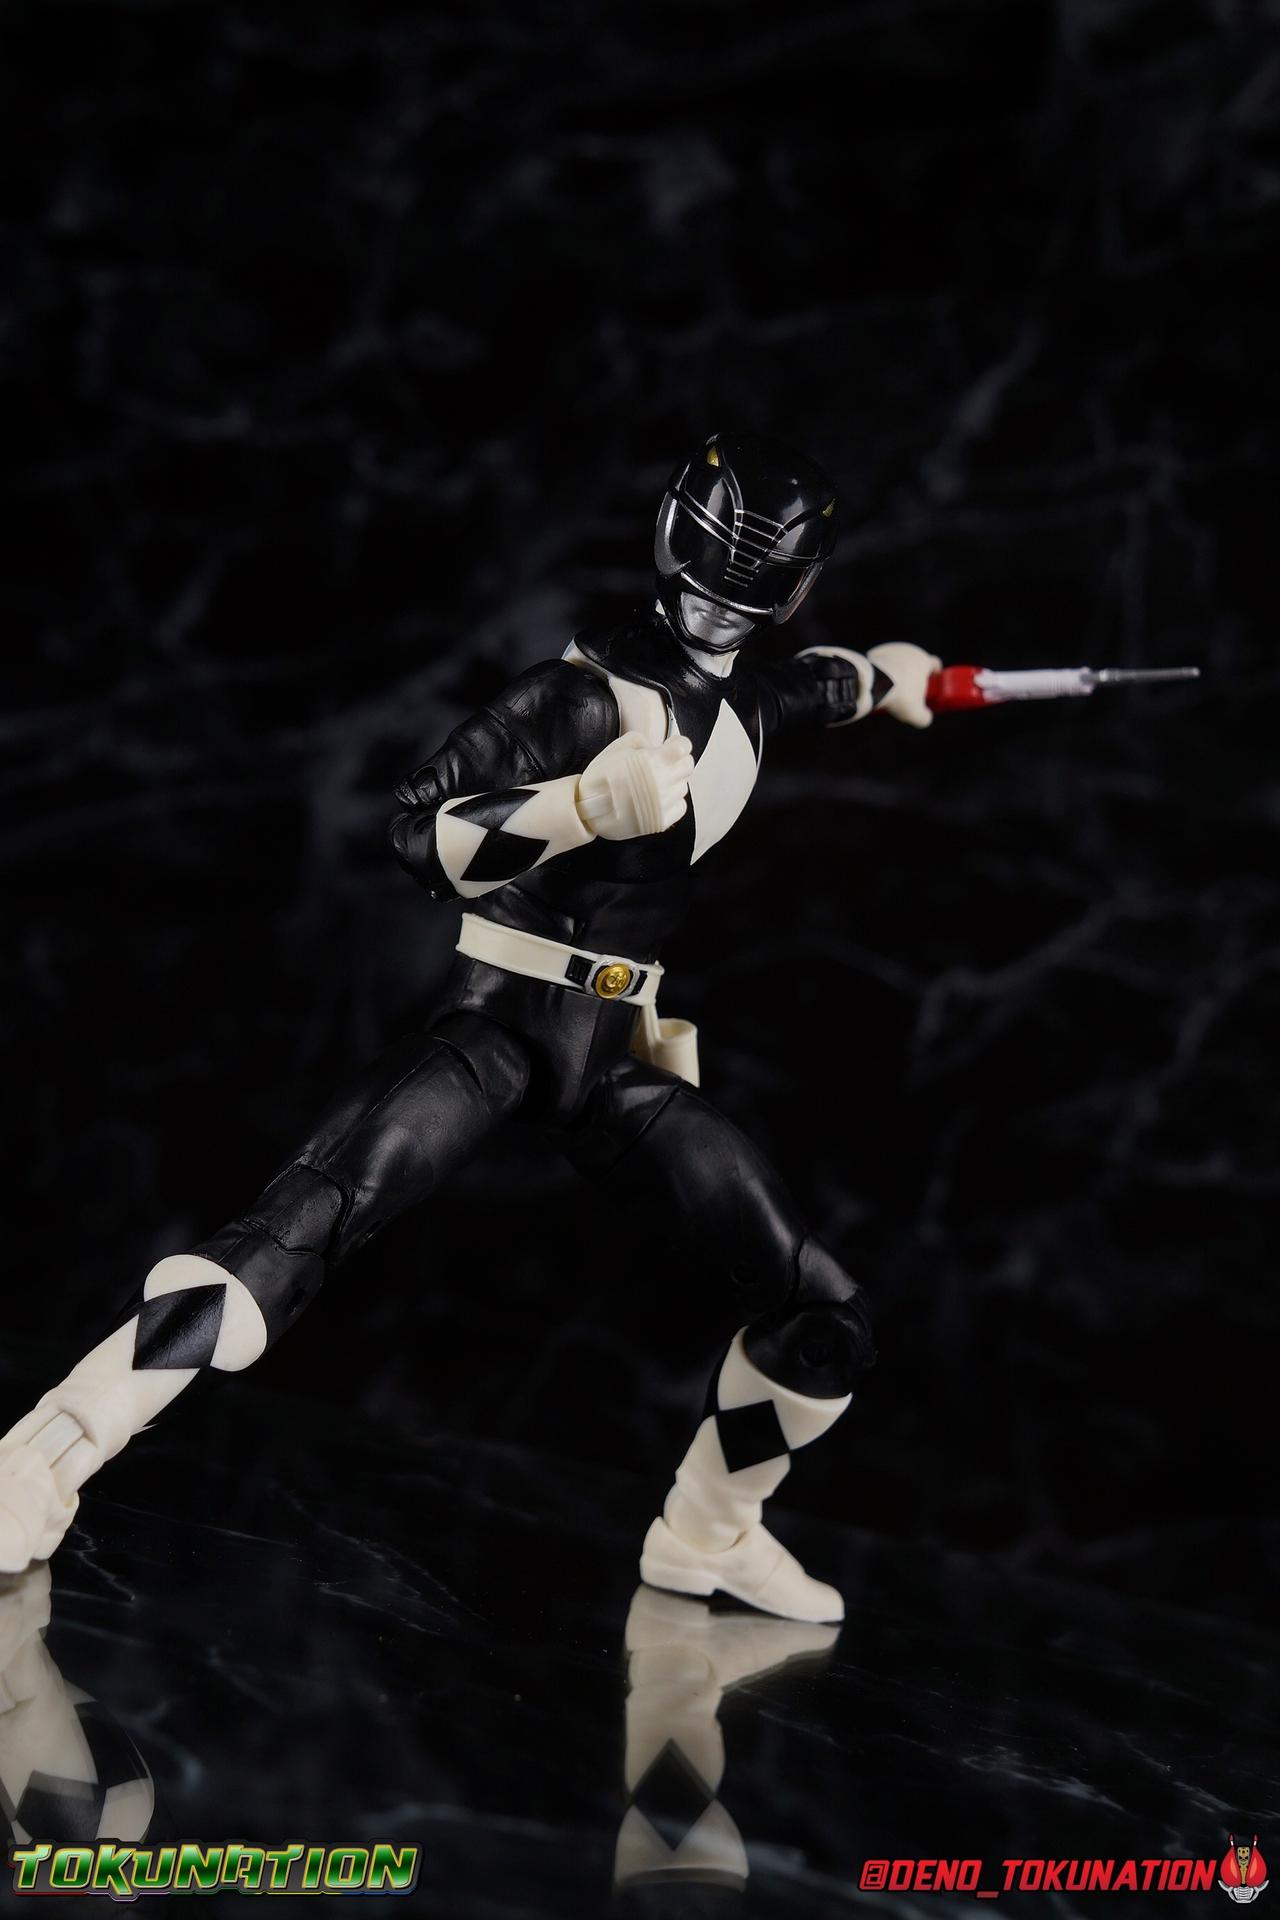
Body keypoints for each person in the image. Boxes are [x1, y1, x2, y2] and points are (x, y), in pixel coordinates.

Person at [0, 433, 940, 1622]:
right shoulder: (578, 698)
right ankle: (45, 1453)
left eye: (750, 587)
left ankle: (708, 1535)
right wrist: (576, 803)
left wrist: (892, 678)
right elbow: (418, 831)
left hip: (609, 1058)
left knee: (820, 1313)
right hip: (499, 1025)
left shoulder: (747, 696)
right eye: (708, 574)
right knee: (298, 1229)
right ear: (671, 548)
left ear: (788, 591)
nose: (716, 605)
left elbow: (820, 685)